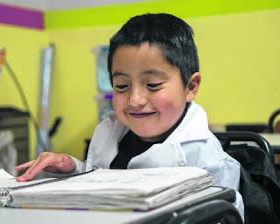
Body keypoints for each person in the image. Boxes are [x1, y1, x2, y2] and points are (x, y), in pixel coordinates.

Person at [14, 13, 244, 218]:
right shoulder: (107, 133)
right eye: (122, 86)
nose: (135, 100)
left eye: (152, 85)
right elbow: (101, 181)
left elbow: (226, 217)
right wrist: (72, 168)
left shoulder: (210, 162)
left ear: (191, 87)